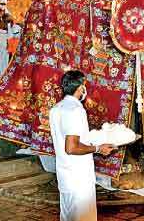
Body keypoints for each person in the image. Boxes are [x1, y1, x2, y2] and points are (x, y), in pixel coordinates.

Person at [49, 70, 116, 221]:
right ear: (80, 88)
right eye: (84, 85)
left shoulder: (56, 109)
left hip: (65, 174)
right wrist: (98, 148)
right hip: (79, 177)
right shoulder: (76, 110)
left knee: (67, 216)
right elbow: (71, 147)